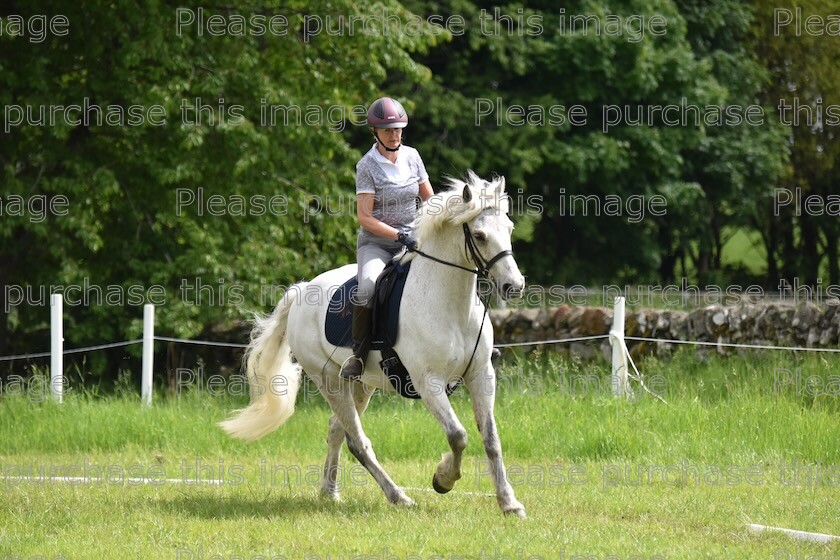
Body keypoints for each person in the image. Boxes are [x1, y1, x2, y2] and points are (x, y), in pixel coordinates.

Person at [340, 97, 434, 381]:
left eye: (398, 130)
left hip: (415, 238)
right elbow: (365, 217)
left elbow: (428, 198)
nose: (395, 135)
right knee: (367, 288)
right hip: (378, 244)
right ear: (375, 133)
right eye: (388, 131)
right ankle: (358, 356)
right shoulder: (366, 166)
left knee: (455, 268)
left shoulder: (412, 156)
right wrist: (398, 235)